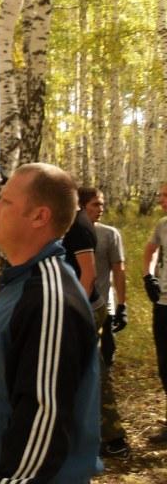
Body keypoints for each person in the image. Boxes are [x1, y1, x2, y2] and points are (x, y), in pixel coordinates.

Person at [0, 163, 101, 483]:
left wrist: (5, 477)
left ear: (39, 216)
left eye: (6, 202)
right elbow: (9, 381)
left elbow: (44, 415)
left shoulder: (49, 298)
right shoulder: (21, 281)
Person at [79, 186, 129, 459]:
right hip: (75, 313)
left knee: (100, 372)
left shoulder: (110, 235)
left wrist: (122, 306)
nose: (100, 208)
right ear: (81, 205)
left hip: (101, 312)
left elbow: (119, 272)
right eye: (95, 204)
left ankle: (111, 436)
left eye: (102, 204)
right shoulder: (67, 234)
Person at [143, 182, 167, 444]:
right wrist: (147, 276)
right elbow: (150, 251)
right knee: (165, 364)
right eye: (162, 195)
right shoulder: (162, 225)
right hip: (163, 304)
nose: (162, 200)